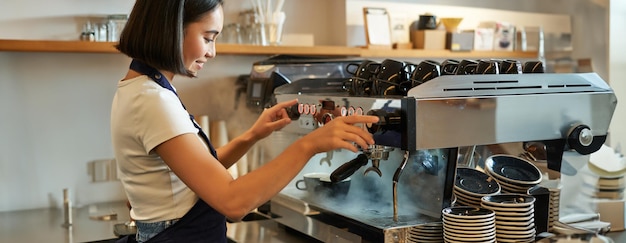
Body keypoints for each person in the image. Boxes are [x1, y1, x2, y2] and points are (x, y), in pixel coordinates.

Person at [110, 0, 379, 242]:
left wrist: (252, 135)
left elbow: (197, 174)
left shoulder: (142, 90)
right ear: (171, 29)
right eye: (208, 38)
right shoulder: (153, 100)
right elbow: (233, 203)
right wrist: (310, 145)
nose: (212, 52)